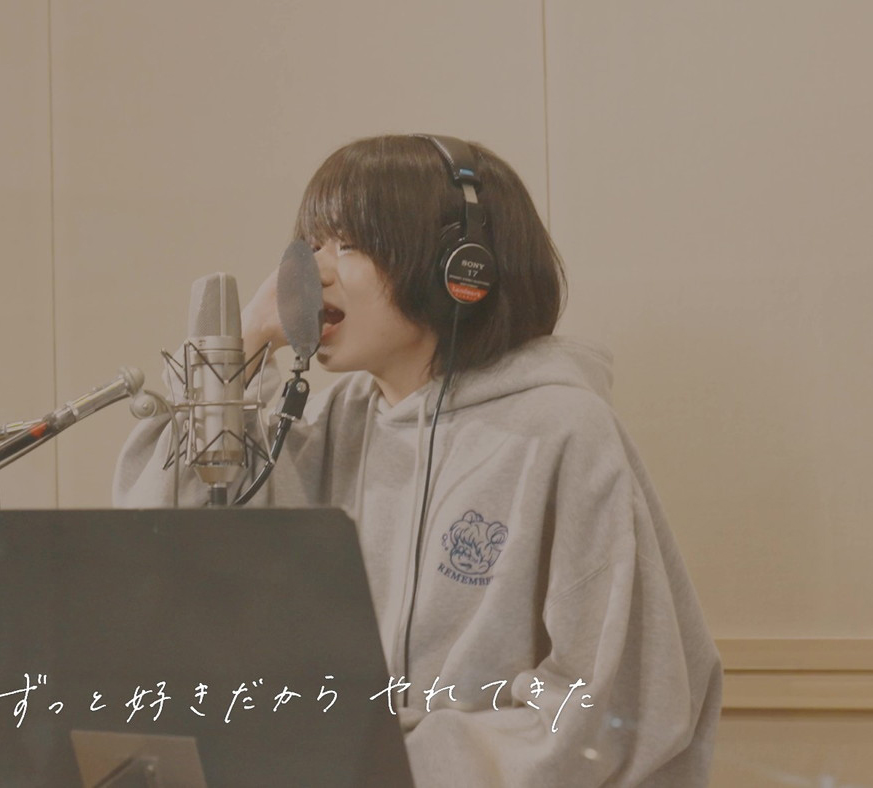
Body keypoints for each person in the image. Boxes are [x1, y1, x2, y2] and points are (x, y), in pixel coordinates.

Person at [114, 134, 722, 786]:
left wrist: (411, 764)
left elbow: (618, 702)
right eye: (310, 246)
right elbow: (163, 546)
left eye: (347, 244)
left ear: (460, 269)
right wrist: (245, 342)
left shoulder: (562, 430)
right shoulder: (330, 424)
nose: (310, 275)